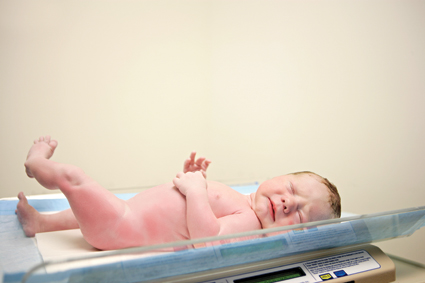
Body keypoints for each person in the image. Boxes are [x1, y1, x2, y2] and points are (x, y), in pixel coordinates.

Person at [16, 136, 341, 251]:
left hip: (118, 228)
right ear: (276, 176)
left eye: (300, 213)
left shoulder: (250, 223)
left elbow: (206, 239)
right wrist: (197, 180)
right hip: (126, 213)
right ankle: (40, 223)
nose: (288, 201)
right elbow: (189, 211)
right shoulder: (240, 200)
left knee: (75, 180)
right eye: (292, 188)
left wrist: (197, 191)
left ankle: (36, 163)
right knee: (81, 209)